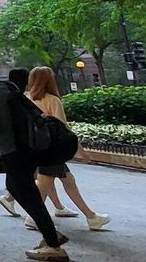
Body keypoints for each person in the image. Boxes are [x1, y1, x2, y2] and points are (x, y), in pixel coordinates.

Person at [0, 55, 69, 260]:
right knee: (22, 189)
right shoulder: (9, 86)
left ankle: (53, 243)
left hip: (12, 149)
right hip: (30, 146)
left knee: (21, 190)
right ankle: (51, 235)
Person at [27, 67, 109, 232]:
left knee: (67, 180)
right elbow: (64, 128)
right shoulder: (52, 100)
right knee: (45, 183)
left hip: (36, 148)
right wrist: (81, 151)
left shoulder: (26, 99)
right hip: (53, 149)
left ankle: (91, 216)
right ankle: (34, 217)